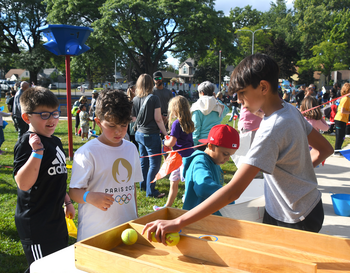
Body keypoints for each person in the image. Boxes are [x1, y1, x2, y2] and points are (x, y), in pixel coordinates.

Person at [142, 53, 333, 243]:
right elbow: (325, 149)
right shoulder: (290, 110)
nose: (239, 100)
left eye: (242, 93)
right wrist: (297, 175)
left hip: (292, 217)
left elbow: (234, 191)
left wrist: (179, 221)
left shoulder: (271, 129)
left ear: (263, 87)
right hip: (309, 206)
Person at [13, 87, 75, 272]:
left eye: (55, 114)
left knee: (55, 265)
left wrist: (67, 201)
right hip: (36, 223)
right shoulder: (28, 142)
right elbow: (23, 183)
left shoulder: (55, 141)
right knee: (42, 268)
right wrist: (37, 152)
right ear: (27, 117)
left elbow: (55, 177)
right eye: (44, 115)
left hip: (55, 219)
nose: (52, 120)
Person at [69, 89, 143, 241]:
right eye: (111, 126)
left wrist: (135, 217)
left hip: (126, 228)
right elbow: (73, 192)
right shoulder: (87, 152)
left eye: (123, 125)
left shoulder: (131, 148)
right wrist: (89, 197)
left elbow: (132, 187)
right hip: (95, 233)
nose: (118, 132)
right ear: (98, 122)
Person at [182, 124, 238, 216]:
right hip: (196, 220)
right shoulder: (200, 162)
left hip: (209, 216)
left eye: (230, 155)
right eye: (225, 154)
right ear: (211, 146)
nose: (228, 159)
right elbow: (203, 187)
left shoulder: (214, 161)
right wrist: (228, 195)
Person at [153, 96, 195, 211]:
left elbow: (172, 142)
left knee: (178, 183)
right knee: (176, 181)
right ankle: (167, 207)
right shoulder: (189, 122)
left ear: (175, 109)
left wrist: (164, 141)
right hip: (188, 156)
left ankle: (187, 206)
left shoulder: (177, 123)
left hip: (180, 158)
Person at [132, 74, 168, 198]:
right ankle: (151, 191)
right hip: (151, 135)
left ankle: (143, 186)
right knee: (155, 164)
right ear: (150, 84)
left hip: (139, 134)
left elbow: (133, 118)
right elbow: (158, 119)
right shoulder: (154, 98)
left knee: (144, 162)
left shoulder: (135, 99)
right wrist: (165, 133)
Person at [190, 81, 229, 151]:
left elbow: (196, 127)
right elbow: (226, 110)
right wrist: (216, 99)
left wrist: (194, 143)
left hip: (201, 142)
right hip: (215, 140)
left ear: (202, 93)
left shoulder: (196, 106)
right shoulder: (218, 105)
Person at [333, 83, 350, 156]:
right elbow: (342, 110)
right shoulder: (345, 98)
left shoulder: (347, 98)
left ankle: (338, 149)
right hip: (340, 119)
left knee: (342, 135)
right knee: (339, 136)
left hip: (343, 120)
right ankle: (336, 151)